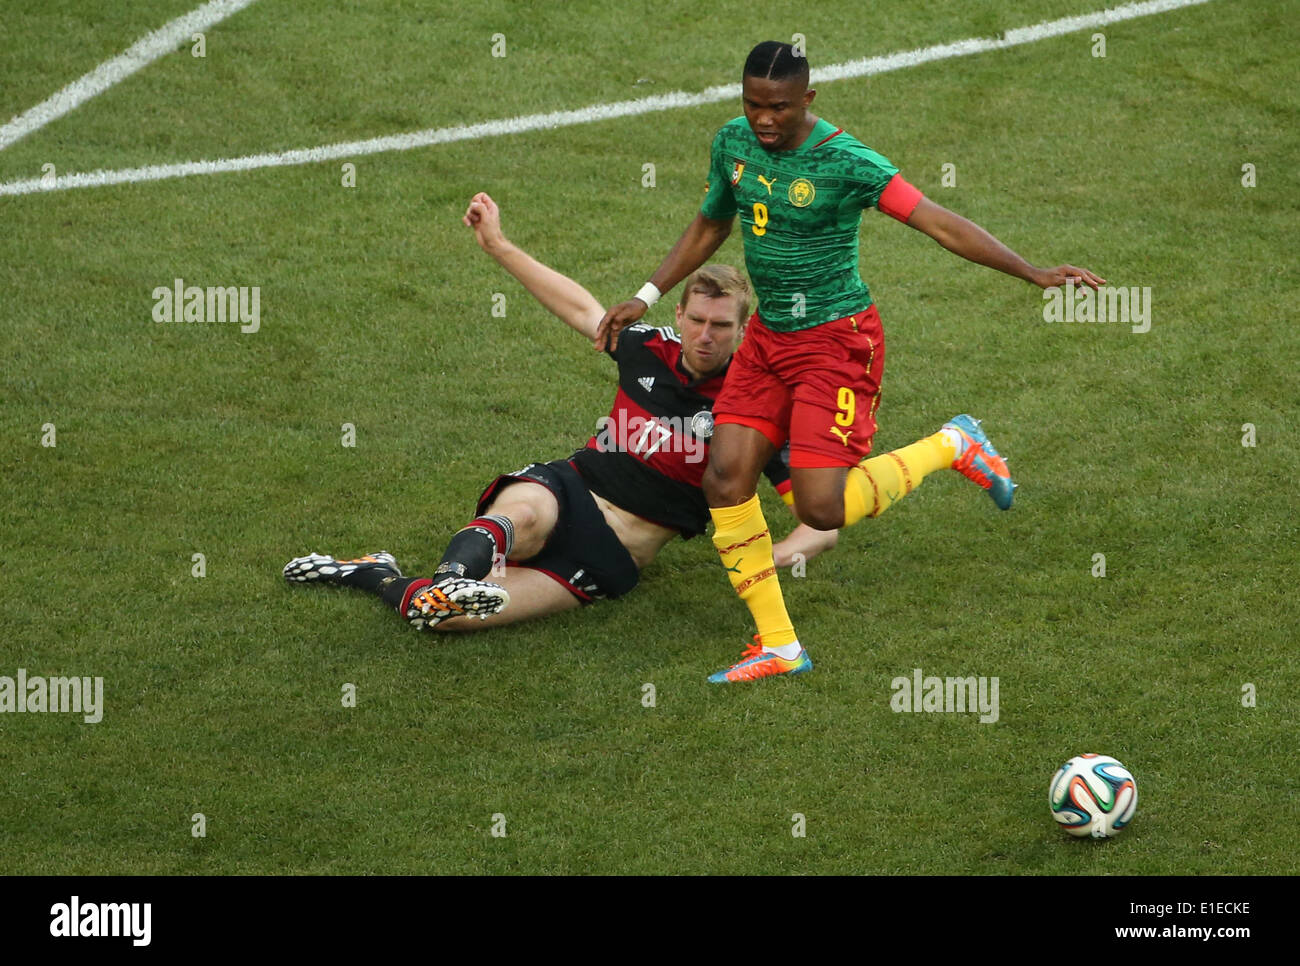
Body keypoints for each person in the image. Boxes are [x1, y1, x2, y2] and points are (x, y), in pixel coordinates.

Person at [595, 41, 1106, 683]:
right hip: (766, 343)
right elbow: (709, 225)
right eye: (753, 104)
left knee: (821, 511)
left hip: (836, 346)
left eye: (779, 107)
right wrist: (644, 296)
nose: (764, 120)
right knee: (725, 478)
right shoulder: (732, 142)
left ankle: (954, 445)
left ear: (808, 100)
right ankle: (778, 645)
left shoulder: (847, 160)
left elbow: (937, 221)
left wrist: (1031, 271)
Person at [283, 192, 838, 630]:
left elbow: (822, 522)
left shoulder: (758, 409)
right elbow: (580, 308)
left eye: (720, 327)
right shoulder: (650, 349)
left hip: (614, 554)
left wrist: (774, 555)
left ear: (744, 331)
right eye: (696, 320)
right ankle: (453, 577)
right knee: (516, 520)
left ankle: (373, 572)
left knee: (436, 618)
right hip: (569, 488)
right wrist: (498, 246)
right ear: (681, 313)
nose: (704, 336)